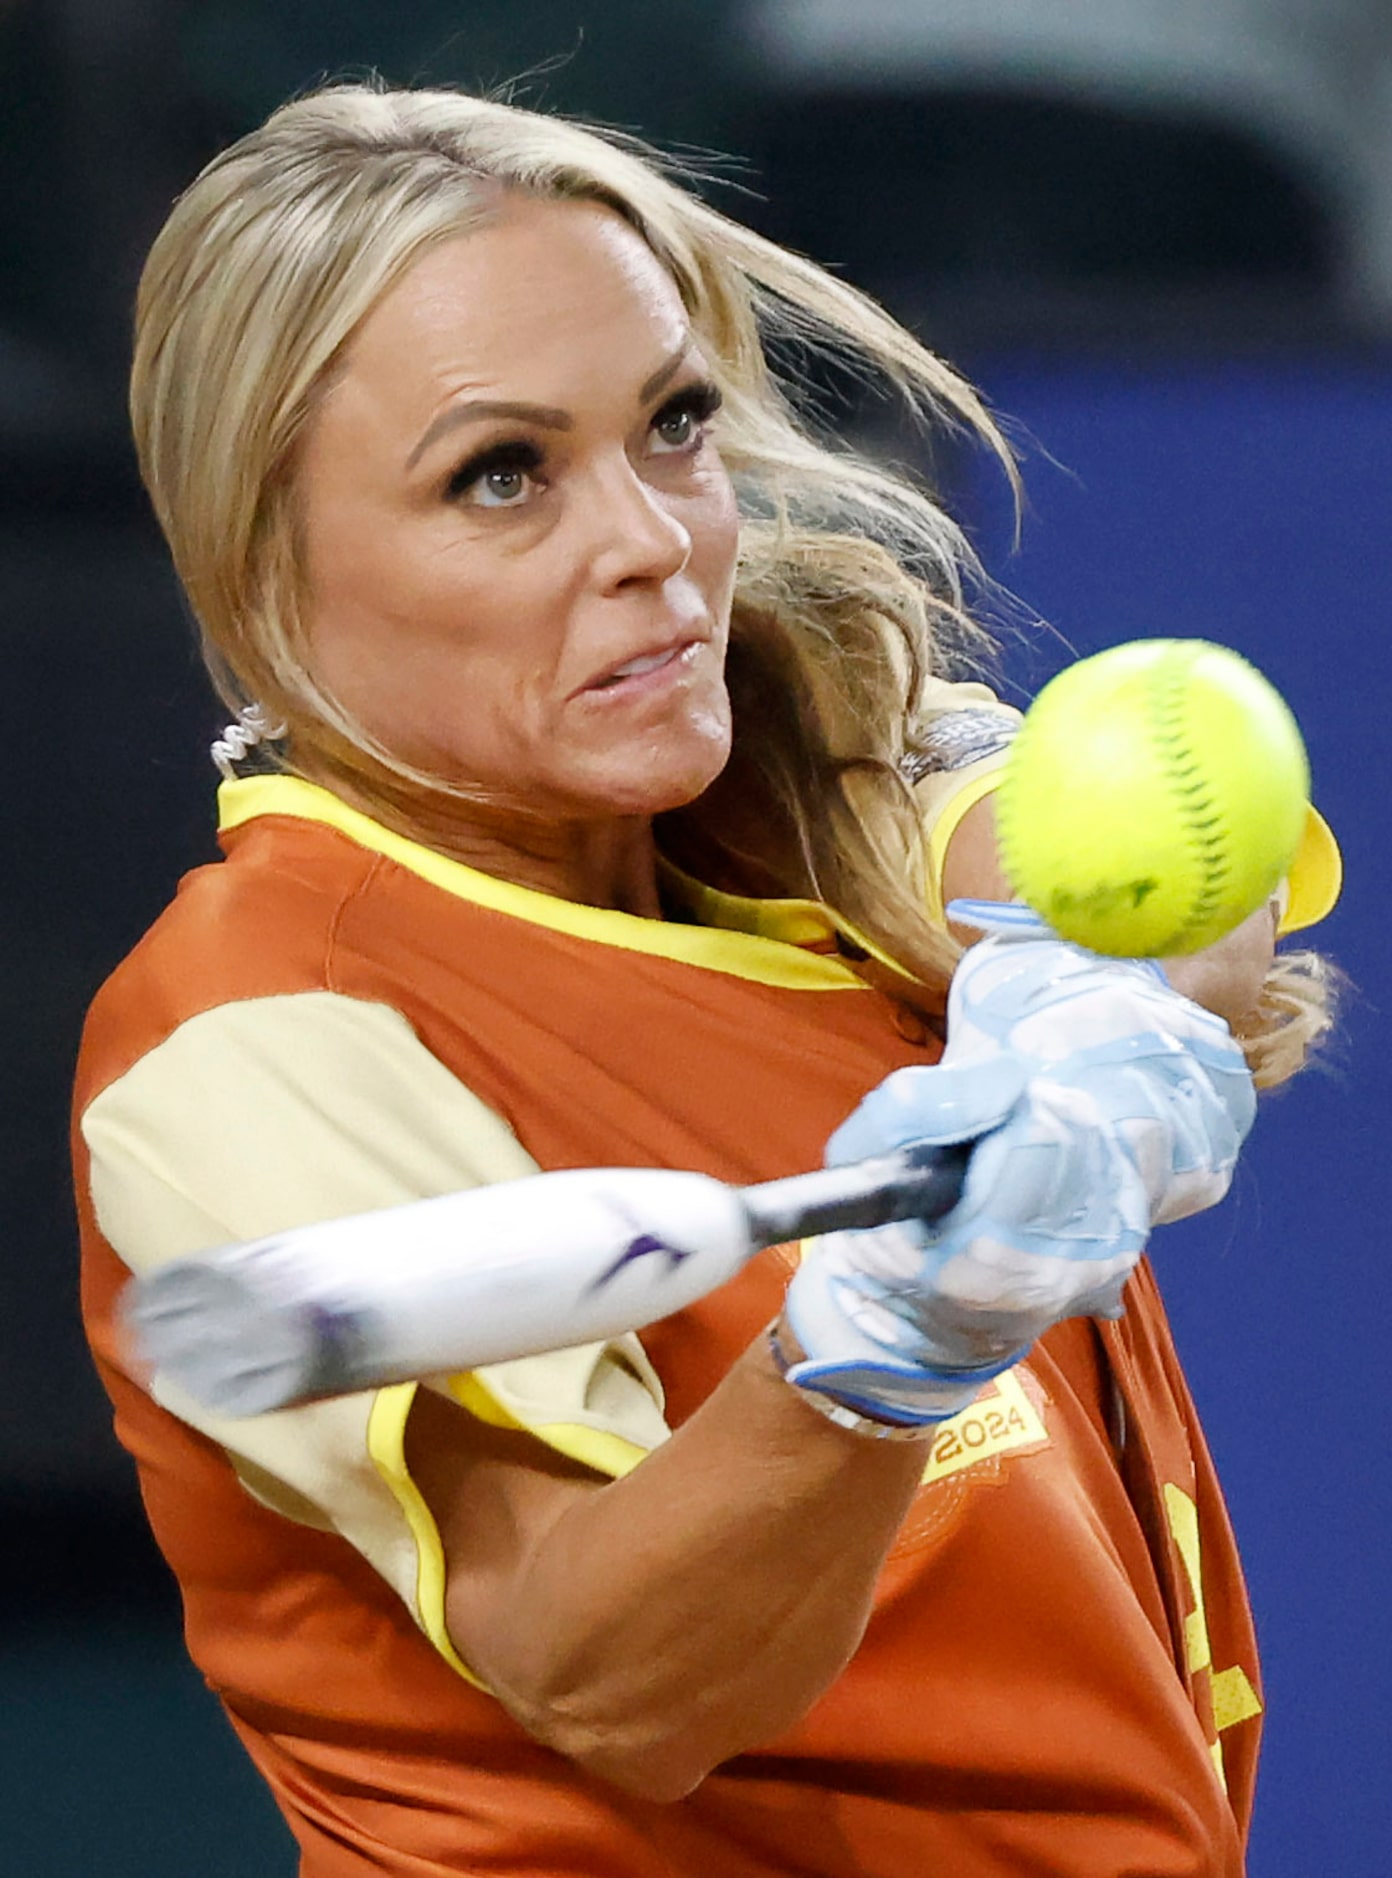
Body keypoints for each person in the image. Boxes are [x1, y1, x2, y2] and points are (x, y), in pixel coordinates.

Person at [74, 82, 1340, 1878]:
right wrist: (879, 1340)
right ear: (264, 561)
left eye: (673, 426)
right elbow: (617, 1683)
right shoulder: (253, 1036)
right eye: (500, 475)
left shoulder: (782, 762)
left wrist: (1095, 999)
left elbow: (1121, 864)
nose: (653, 540)